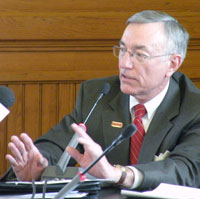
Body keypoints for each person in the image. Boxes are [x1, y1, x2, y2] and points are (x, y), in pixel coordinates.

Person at [3, 10, 200, 191]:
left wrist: (120, 175)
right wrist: (38, 164)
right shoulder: (99, 94)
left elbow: (187, 169)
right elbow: (59, 144)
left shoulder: (193, 108)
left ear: (172, 63)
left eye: (140, 55)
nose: (125, 63)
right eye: (122, 50)